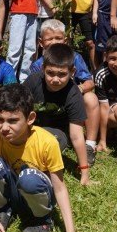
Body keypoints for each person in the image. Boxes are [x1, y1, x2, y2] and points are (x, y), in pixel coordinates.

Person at [0, 84, 81, 232]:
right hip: (12, 192)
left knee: (28, 177)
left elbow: (60, 189)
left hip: (36, 193)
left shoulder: (46, 142)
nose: (4, 127)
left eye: (13, 120)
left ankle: (42, 220)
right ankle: (3, 209)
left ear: (30, 118)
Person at [29, 20, 100, 168]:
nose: (54, 42)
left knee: (91, 98)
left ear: (65, 40)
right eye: (50, 39)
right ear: (41, 42)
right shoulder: (37, 65)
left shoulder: (75, 58)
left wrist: (77, 90)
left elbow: (90, 82)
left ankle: (90, 144)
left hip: (70, 102)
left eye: (58, 38)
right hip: (47, 107)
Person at [24, 43, 93, 185]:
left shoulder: (73, 94)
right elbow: (18, 109)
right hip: (30, 129)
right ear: (43, 68)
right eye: (50, 73)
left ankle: (32, 165)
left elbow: (76, 135)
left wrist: (84, 171)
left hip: (57, 134)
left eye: (62, 74)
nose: (55, 79)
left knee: (53, 141)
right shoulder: (33, 81)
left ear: (72, 71)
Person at [6, 0, 43, 81]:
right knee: (15, 49)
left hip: (33, 15)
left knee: (30, 49)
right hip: (19, 14)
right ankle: (9, 79)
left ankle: (24, 80)